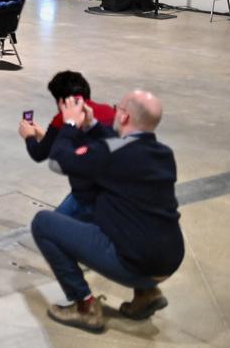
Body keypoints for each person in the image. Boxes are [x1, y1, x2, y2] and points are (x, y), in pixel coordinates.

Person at [31, 91, 183, 333]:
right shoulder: (163, 154)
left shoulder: (109, 155)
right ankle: (147, 294)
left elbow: (58, 161)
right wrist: (92, 126)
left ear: (123, 117)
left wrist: (69, 124)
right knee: (116, 206)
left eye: (118, 107)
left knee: (43, 224)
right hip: (168, 260)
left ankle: (84, 307)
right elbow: (122, 145)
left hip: (136, 265)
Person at [18, 71, 117, 222]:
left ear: (61, 101)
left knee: (49, 227)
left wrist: (28, 136)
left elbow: (39, 154)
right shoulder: (109, 111)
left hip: (87, 194)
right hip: (113, 190)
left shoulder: (62, 120)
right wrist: (44, 136)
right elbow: (79, 143)